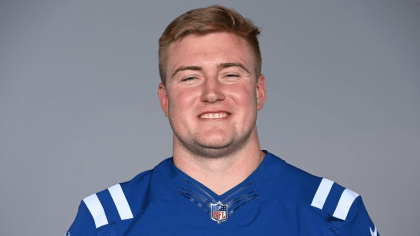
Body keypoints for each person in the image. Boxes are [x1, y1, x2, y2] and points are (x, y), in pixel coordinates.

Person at [66, 5, 379, 236]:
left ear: (259, 91)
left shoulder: (334, 215)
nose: (211, 93)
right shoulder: (104, 220)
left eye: (230, 74)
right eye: (190, 77)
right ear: (165, 98)